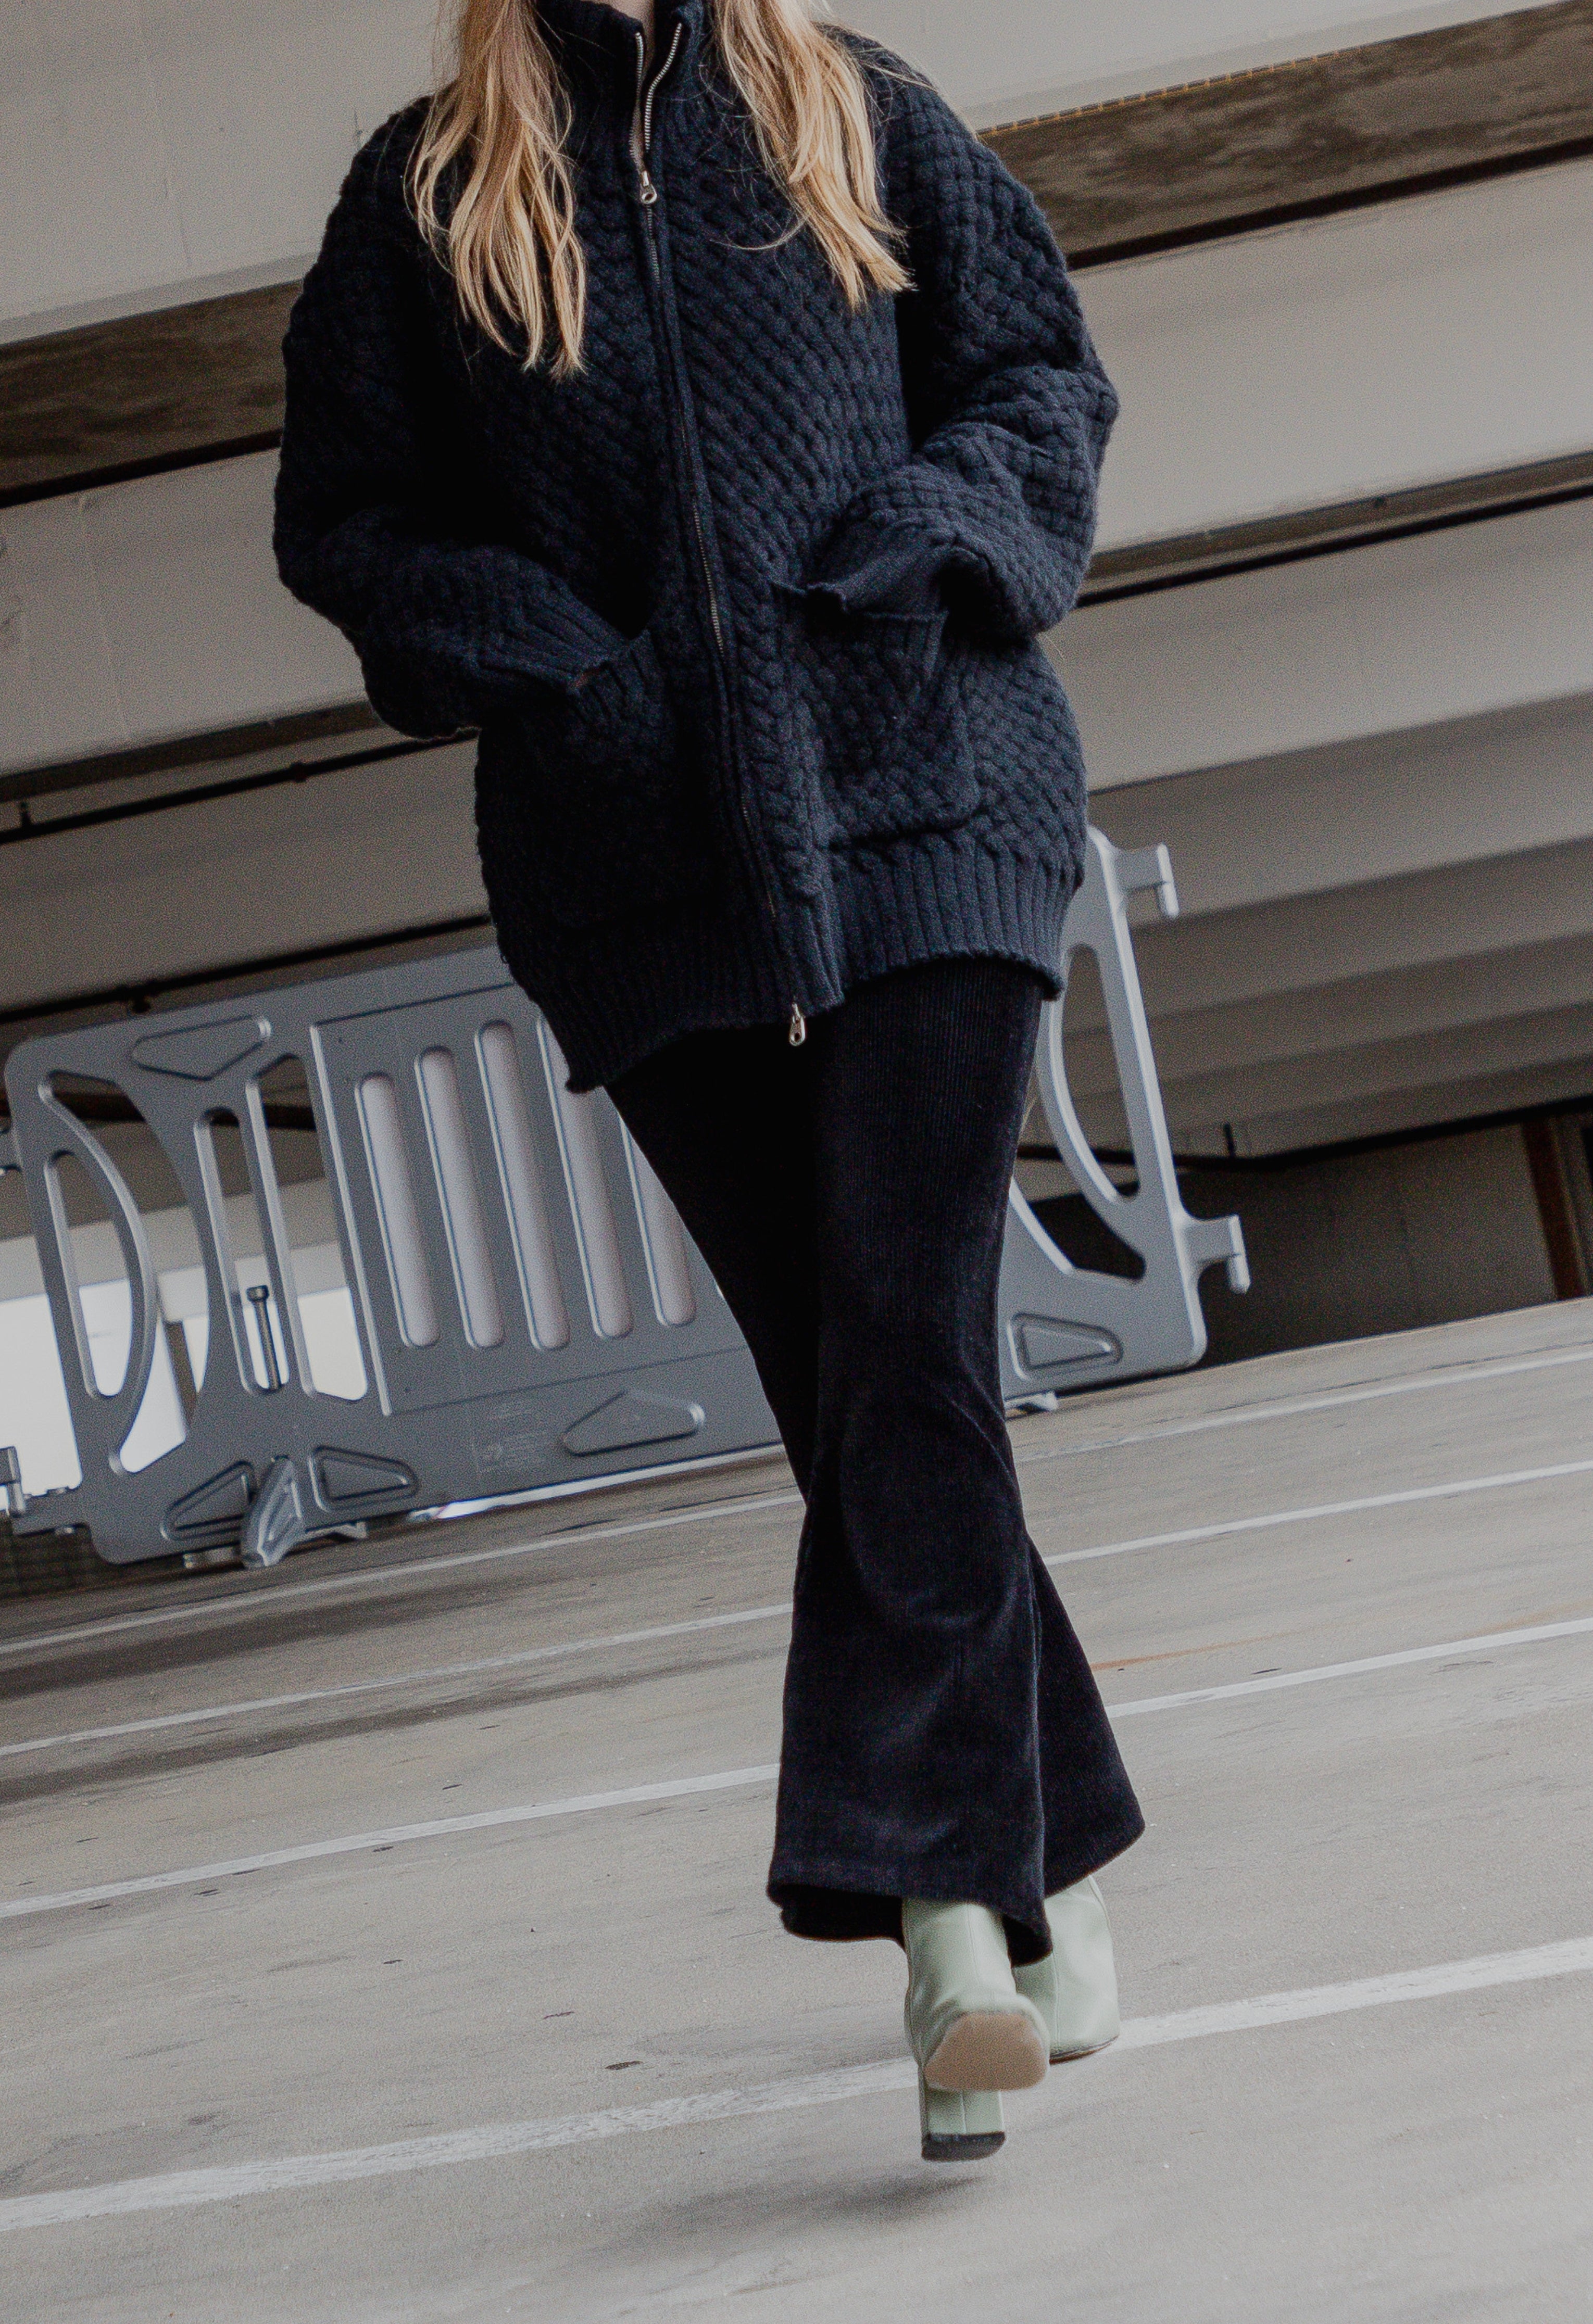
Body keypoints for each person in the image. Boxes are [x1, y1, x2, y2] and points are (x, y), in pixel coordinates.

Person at [275, 0, 1143, 2163]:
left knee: (908, 1347)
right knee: (849, 1387)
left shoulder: (858, 107)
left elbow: (1040, 377)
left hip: (933, 795)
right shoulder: (426, 195)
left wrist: (933, 534)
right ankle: (1045, 1872)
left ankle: (944, 1923)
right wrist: (570, 669)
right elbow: (351, 518)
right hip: (638, 865)